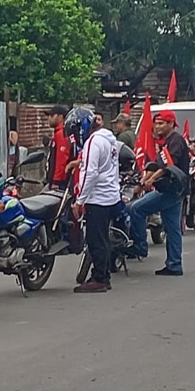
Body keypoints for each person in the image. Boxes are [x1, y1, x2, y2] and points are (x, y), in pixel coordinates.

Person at [128, 110, 189, 276]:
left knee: (136, 209)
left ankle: (139, 246)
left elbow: (167, 166)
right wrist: (143, 180)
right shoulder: (165, 142)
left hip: (171, 190)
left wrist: (150, 180)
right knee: (172, 229)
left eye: (161, 123)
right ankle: (174, 265)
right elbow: (156, 164)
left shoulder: (175, 141)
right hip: (172, 189)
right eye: (156, 123)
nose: (157, 126)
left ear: (171, 124)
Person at [69, 108, 121, 292]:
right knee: (102, 238)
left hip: (97, 198)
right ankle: (102, 274)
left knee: (95, 239)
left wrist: (80, 200)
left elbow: (90, 173)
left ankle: (100, 278)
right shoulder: (108, 139)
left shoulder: (93, 141)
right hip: (109, 196)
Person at [45, 105, 71, 190]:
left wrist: (56, 181)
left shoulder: (61, 134)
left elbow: (61, 159)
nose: (49, 118)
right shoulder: (58, 133)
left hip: (60, 182)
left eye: (52, 116)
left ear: (60, 117)